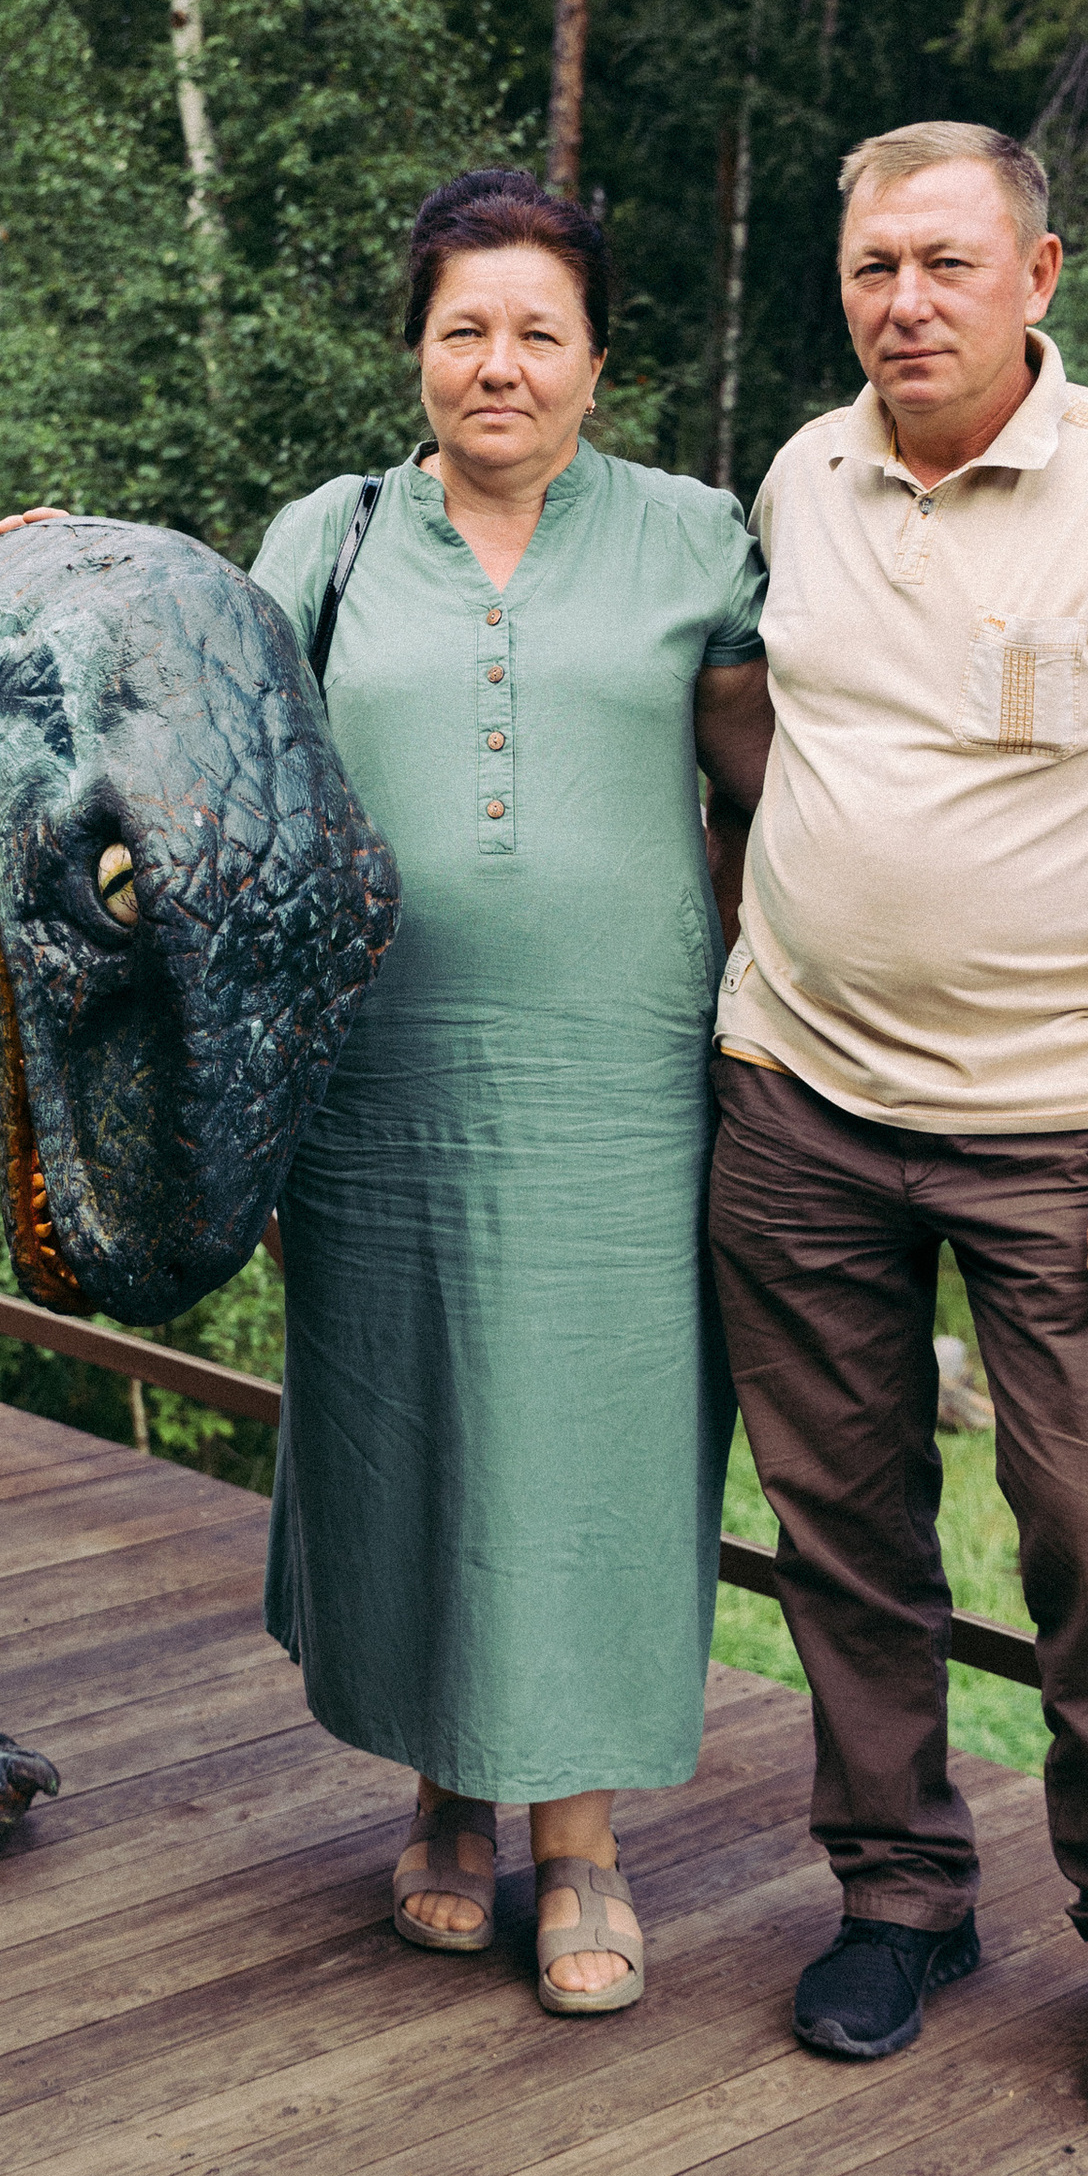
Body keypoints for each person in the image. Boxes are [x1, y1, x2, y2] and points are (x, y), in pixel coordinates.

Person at [707, 119, 1088, 2129]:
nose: (903, 303)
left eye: (945, 264)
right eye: (874, 265)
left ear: (1034, 277)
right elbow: (754, 724)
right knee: (840, 1538)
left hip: (1058, 1128)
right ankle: (897, 1898)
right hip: (795, 1102)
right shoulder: (801, 475)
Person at [250, 168, 772, 2015]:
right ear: (416, 350)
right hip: (377, 1079)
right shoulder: (326, 539)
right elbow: (211, 738)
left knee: (602, 1446)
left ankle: (581, 1837)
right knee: (411, 1425)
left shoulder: (697, 539)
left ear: (596, 362)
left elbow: (788, 773)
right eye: (463, 327)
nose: (498, 364)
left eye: (536, 331)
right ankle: (443, 1802)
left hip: (622, 1080)